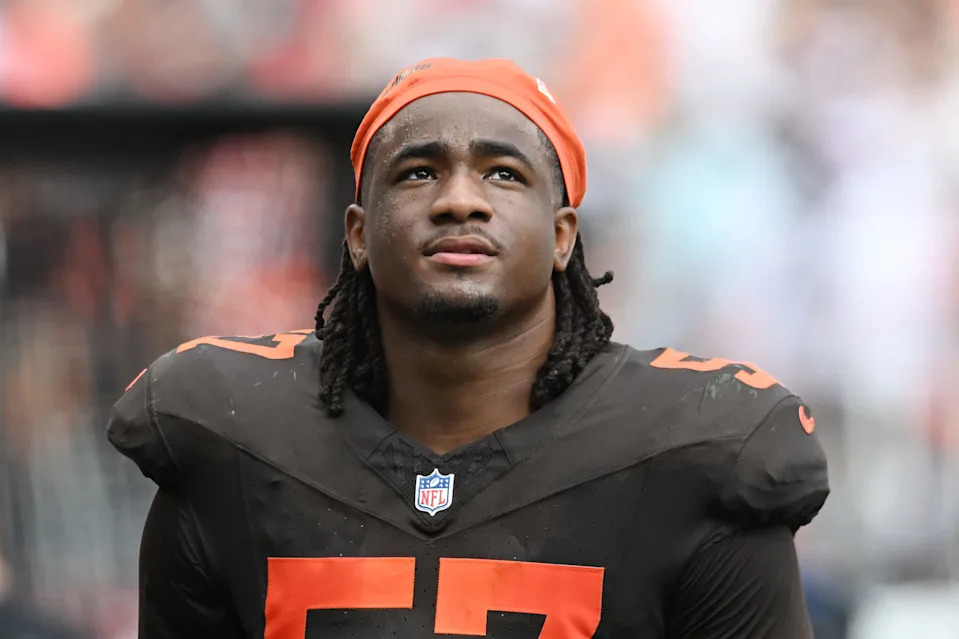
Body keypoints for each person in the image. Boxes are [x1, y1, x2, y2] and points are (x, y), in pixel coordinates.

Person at [108, 58, 829, 638]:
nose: (459, 200)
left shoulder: (697, 452)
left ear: (561, 235)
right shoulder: (230, 436)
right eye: (418, 172)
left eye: (502, 173)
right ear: (358, 233)